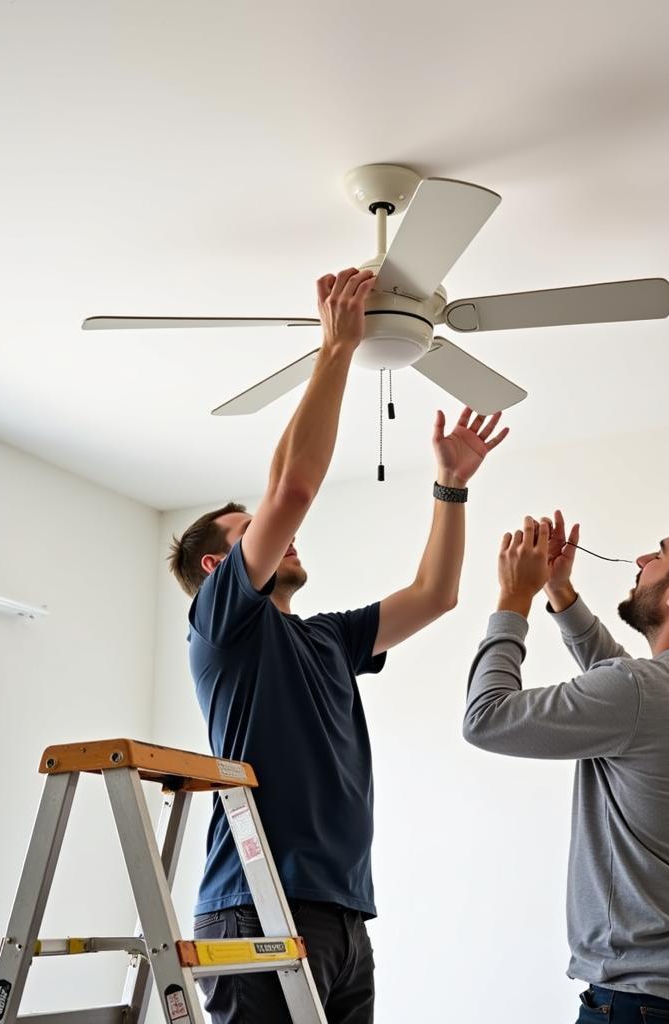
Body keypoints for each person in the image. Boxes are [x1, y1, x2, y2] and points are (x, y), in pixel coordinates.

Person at [167, 267, 509, 1024]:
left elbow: (435, 597)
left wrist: (449, 485)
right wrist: (337, 351)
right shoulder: (225, 625)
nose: (282, 537)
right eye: (251, 532)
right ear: (219, 568)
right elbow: (290, 489)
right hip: (257, 908)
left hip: (344, 915)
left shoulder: (326, 639)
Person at [463, 509, 669, 1023]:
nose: (640, 560)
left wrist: (513, 599)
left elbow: (486, 719)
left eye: (658, 554)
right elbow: (627, 693)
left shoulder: (642, 692)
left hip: (653, 1002)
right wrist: (559, 592)